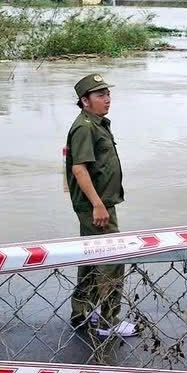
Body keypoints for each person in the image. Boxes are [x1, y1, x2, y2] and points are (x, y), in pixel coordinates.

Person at [65, 73, 137, 339]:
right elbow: (79, 169)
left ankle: (82, 312)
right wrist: (97, 204)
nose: (107, 99)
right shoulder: (85, 127)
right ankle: (108, 320)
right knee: (112, 261)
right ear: (85, 101)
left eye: (107, 94)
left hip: (100, 204)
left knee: (92, 258)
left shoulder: (96, 123)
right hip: (96, 206)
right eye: (100, 95)